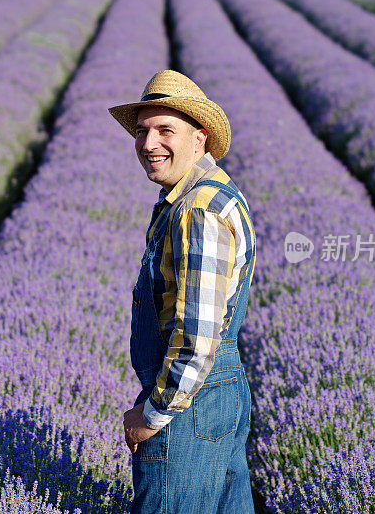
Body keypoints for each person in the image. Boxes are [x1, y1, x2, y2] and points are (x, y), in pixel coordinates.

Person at [108, 69, 257, 513]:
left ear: (200, 138)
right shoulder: (207, 195)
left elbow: (195, 339)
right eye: (142, 130)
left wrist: (150, 417)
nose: (149, 143)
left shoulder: (198, 213)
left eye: (165, 129)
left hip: (188, 405)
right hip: (217, 393)